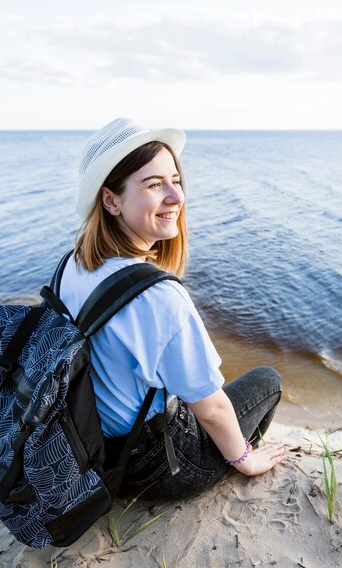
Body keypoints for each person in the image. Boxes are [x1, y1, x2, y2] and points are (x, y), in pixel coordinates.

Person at [58, 118, 286, 500]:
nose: (176, 198)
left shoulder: (72, 263)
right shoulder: (157, 297)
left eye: (175, 181)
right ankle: (235, 460)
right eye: (153, 184)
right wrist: (244, 459)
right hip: (156, 468)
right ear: (110, 200)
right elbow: (210, 406)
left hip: (92, 449)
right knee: (267, 380)